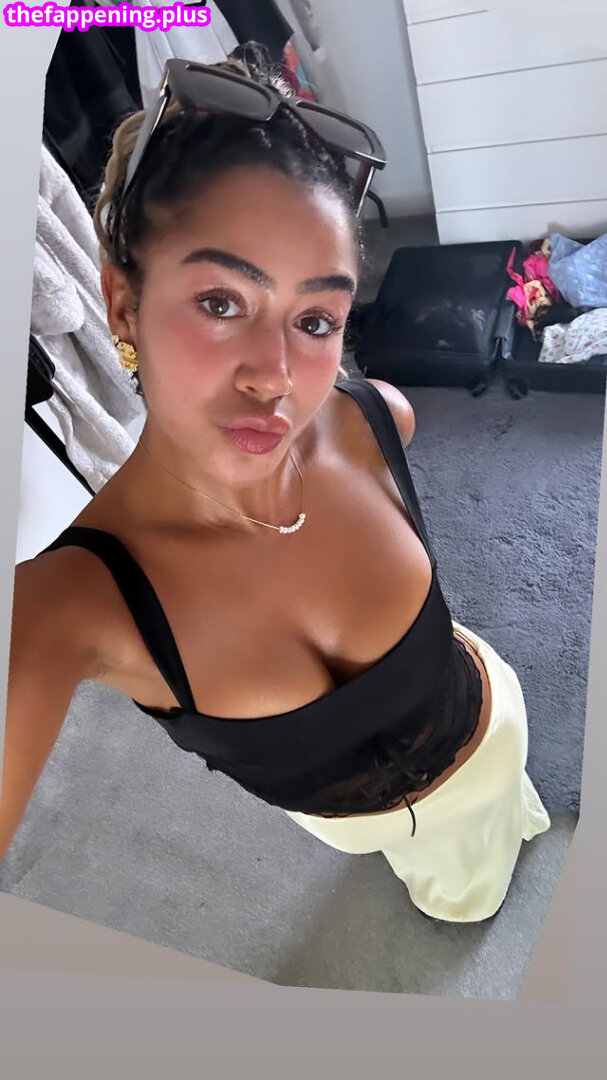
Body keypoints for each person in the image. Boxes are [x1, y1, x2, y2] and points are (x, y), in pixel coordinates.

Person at [1, 54, 550, 924]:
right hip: (363, 825)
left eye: (315, 318)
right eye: (221, 302)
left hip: (491, 719)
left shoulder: (378, 419)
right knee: (461, 901)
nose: (278, 377)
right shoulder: (65, 607)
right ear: (122, 304)